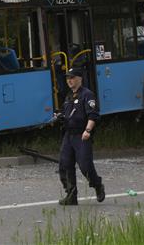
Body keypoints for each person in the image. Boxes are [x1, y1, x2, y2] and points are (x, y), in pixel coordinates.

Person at [55, 67, 105, 206]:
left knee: (85, 166)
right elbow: (67, 114)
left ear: (80, 79)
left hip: (82, 135)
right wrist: (60, 117)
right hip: (68, 135)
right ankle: (71, 195)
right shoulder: (69, 96)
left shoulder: (87, 95)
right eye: (67, 78)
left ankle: (97, 185)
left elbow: (93, 115)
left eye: (72, 77)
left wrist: (88, 130)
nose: (69, 80)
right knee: (65, 165)